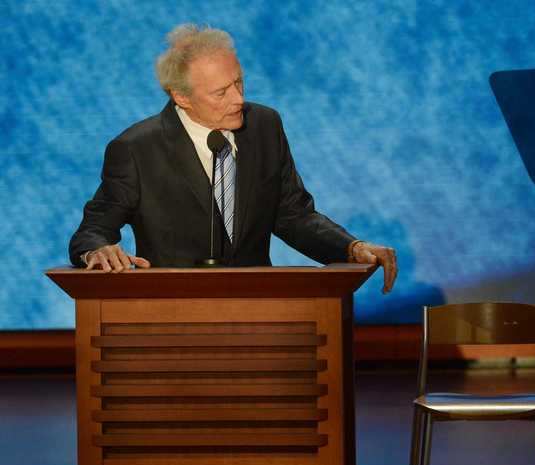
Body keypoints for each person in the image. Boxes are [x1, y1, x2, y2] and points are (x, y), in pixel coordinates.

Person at [69, 24, 397, 293]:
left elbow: (293, 215)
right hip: (172, 315)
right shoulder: (136, 148)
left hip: (258, 311)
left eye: (239, 82)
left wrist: (351, 248)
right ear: (181, 96)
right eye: (221, 92)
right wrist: (96, 250)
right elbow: (94, 228)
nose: (239, 99)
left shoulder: (264, 127)